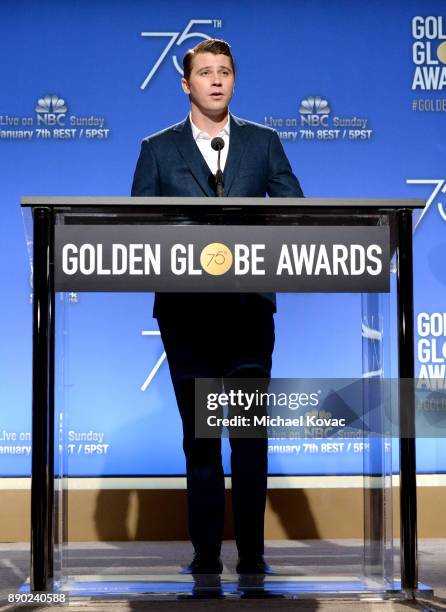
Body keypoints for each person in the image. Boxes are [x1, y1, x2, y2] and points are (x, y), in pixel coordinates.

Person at [132, 38, 303, 574]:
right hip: (187, 317)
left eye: (224, 71)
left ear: (234, 81)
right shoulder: (157, 149)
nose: (215, 80)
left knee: (250, 439)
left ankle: (252, 556)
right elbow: (139, 230)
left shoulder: (264, 143)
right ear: (186, 85)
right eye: (204, 72)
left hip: (248, 312)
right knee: (200, 441)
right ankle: (205, 556)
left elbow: (295, 211)